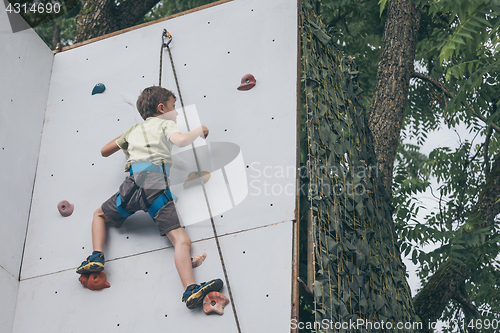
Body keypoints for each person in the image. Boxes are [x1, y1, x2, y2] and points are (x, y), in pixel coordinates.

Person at [76, 86, 222, 309]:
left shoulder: (134, 130)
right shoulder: (166, 124)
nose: (177, 112)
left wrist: (126, 137)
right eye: (174, 107)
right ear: (161, 108)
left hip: (133, 186)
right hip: (155, 186)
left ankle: (96, 256)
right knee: (181, 241)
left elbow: (104, 151)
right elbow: (181, 141)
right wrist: (199, 130)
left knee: (99, 214)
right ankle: (190, 289)